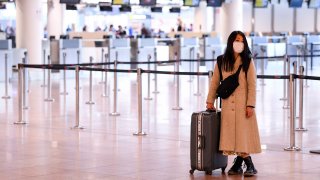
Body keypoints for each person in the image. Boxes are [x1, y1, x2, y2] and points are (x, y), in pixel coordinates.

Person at [206, 31, 261, 177]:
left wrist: (251, 105)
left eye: (242, 41)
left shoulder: (248, 61)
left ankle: (248, 164)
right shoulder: (221, 61)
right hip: (227, 104)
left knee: (242, 136)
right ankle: (239, 164)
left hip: (243, 105)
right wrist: (210, 100)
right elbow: (214, 82)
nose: (239, 43)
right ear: (231, 42)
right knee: (232, 137)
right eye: (237, 40)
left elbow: (252, 84)